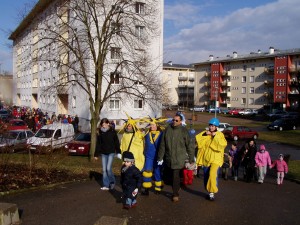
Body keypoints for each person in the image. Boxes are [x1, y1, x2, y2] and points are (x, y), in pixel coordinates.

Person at [157, 113, 195, 202]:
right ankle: (177, 187)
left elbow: (190, 146)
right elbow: (163, 145)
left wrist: (191, 158)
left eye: (176, 120)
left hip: (179, 158)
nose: (174, 121)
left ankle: (175, 194)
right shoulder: (167, 130)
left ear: (180, 122)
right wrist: (160, 157)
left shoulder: (184, 131)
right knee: (170, 176)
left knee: (175, 175)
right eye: (173, 120)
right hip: (169, 157)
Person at [195, 117, 227, 201]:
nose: (211, 127)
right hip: (206, 159)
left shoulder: (220, 135)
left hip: (216, 160)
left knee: (212, 175)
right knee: (206, 176)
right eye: (210, 125)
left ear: (216, 127)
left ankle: (212, 192)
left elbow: (222, 144)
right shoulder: (205, 133)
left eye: (213, 126)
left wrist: (215, 136)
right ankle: (209, 191)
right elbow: (198, 139)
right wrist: (206, 134)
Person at [141, 117, 166, 195]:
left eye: (154, 125)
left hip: (158, 156)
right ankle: (146, 188)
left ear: (157, 126)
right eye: (151, 125)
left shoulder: (161, 134)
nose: (152, 127)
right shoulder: (146, 134)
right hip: (149, 156)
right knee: (147, 171)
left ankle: (158, 187)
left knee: (157, 171)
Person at [94, 118, 121, 190]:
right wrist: (96, 154)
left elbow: (116, 142)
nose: (104, 125)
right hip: (103, 153)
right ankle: (106, 185)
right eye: (102, 124)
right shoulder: (100, 132)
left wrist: (118, 152)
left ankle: (112, 182)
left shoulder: (112, 131)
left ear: (108, 124)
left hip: (111, 152)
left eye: (105, 124)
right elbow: (98, 144)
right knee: (104, 169)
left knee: (108, 168)